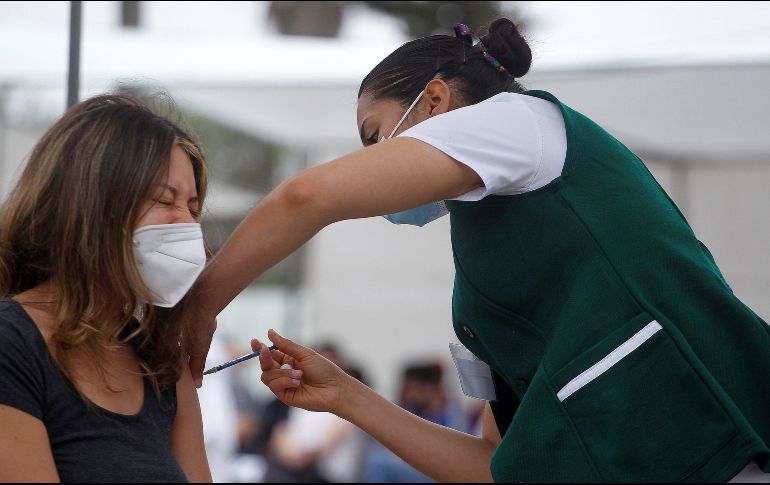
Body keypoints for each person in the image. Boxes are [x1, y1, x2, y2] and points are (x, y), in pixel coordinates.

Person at [187, 18, 770, 483]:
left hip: (718, 453)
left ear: (436, 101)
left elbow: (307, 196)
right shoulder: (479, 287)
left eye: (374, 137)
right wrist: (346, 396)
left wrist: (196, 310)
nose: (370, 161)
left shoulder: (521, 124)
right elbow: (497, 464)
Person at [0, 95, 212, 482]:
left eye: (193, 208)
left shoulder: (160, 363)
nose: (186, 224)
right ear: (93, 204)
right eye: (165, 200)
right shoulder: (12, 344)